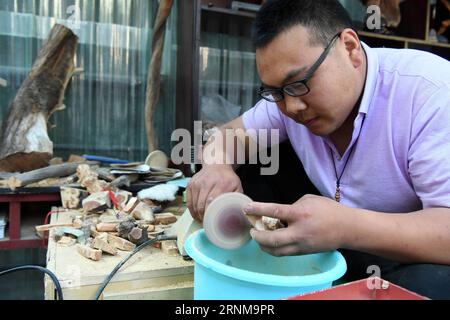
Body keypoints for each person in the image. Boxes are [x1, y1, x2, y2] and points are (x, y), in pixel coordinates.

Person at [187, 0, 450, 299]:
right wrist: (216, 168)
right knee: (252, 165)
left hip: (409, 258)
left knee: (433, 285)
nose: (292, 107)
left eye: (300, 83)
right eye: (276, 92)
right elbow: (226, 137)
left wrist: (345, 226)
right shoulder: (288, 102)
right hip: (336, 243)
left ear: (349, 48)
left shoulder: (431, 93)